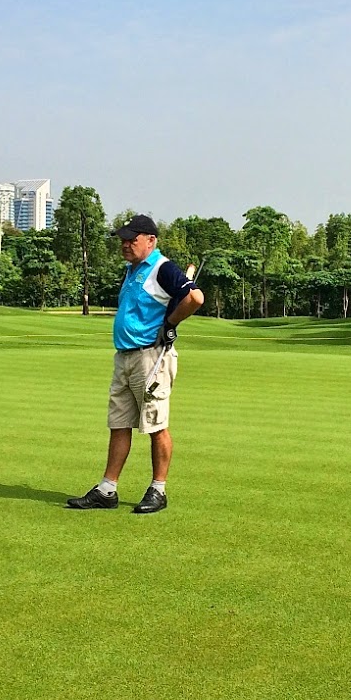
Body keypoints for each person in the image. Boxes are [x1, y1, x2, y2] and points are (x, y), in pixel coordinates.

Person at [66, 214, 204, 514]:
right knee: (119, 424)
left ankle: (158, 490)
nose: (125, 245)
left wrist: (170, 323)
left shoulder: (162, 268)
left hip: (151, 357)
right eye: (123, 240)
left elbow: (195, 298)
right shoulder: (132, 269)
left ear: (150, 240)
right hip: (125, 357)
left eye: (132, 239)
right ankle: (107, 490)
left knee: (156, 425)